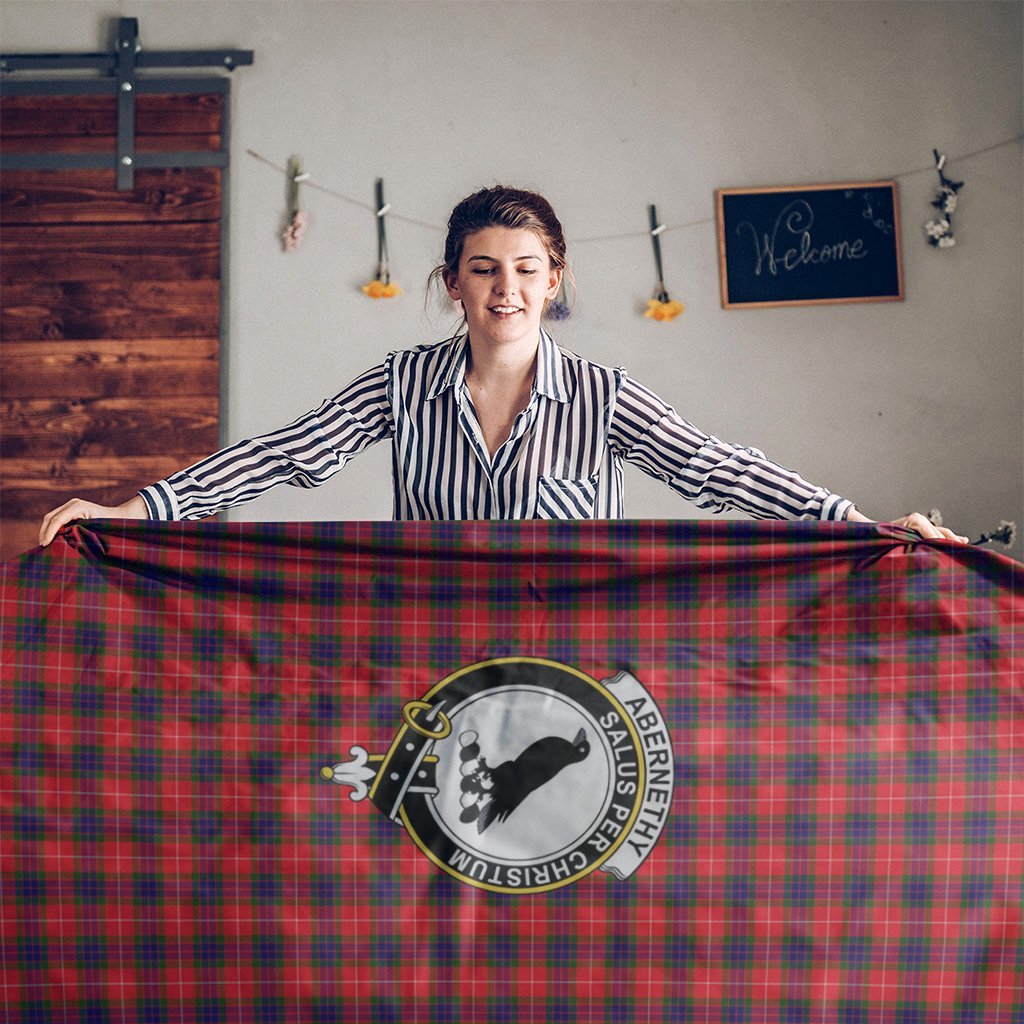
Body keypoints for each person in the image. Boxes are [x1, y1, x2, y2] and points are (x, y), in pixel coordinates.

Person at [38, 185, 968, 547]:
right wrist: (136, 511)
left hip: (578, 665)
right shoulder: (401, 382)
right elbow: (284, 456)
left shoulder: (604, 397)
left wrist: (858, 524)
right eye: (484, 270)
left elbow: (718, 468)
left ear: (555, 281)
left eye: (527, 271)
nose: (506, 289)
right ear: (453, 284)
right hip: (431, 660)